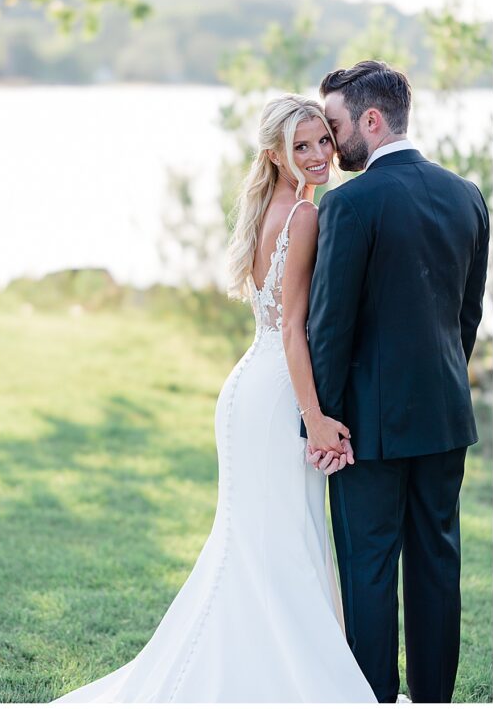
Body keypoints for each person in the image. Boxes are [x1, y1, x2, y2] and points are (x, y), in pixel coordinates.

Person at [54, 94, 376, 703]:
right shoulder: (305, 216)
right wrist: (315, 417)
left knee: (257, 539)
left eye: (321, 142)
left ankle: (256, 671)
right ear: (276, 154)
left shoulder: (269, 209)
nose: (315, 155)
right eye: (299, 146)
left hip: (247, 388)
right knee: (279, 540)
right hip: (278, 393)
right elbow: (292, 329)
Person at [305, 61, 489, 703]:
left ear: (372, 120)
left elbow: (330, 328)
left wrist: (321, 421)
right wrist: (439, 382)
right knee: (438, 564)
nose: (330, 143)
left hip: (364, 428)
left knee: (370, 569)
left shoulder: (349, 203)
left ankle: (374, 699)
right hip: (444, 418)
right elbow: (467, 316)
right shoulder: (467, 194)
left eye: (334, 126)